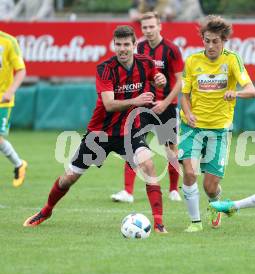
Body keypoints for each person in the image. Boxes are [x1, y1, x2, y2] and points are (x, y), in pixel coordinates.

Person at [23, 25, 169, 233]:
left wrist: (161, 81)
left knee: (149, 166)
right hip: (100, 134)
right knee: (69, 178)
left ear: (135, 45)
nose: (122, 49)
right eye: (118, 44)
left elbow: (158, 81)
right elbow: (109, 104)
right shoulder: (105, 69)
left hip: (129, 132)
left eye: (127, 44)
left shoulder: (145, 63)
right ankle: (46, 210)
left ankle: (159, 224)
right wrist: (136, 100)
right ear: (113, 45)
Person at [179, 15, 255, 232]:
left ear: (224, 41)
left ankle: (216, 203)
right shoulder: (192, 61)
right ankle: (195, 223)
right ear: (202, 39)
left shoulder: (232, 60)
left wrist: (236, 93)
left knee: (209, 185)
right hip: (191, 127)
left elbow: (252, 90)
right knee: (190, 173)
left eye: (216, 41)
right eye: (207, 40)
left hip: (219, 129)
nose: (211, 45)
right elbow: (184, 95)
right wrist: (188, 113)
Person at [111, 12, 184, 203]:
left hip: (166, 106)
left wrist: (166, 102)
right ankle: (128, 192)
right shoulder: (139, 47)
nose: (149, 30)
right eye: (145, 27)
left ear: (160, 26)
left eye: (152, 26)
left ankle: (174, 189)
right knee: (132, 145)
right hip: (143, 105)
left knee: (170, 148)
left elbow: (180, 81)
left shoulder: (171, 50)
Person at [0, 30, 28, 187]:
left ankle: (19, 165)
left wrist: (10, 91)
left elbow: (21, 70)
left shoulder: (8, 41)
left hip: (2, 100)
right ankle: (19, 164)